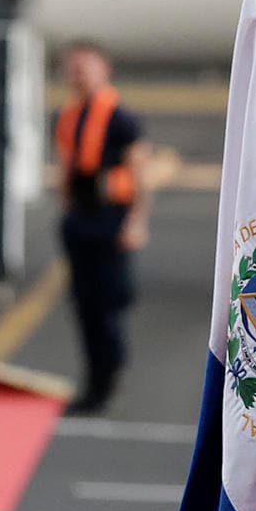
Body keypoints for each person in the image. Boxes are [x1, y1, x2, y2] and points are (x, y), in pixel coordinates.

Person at [53, 41, 150, 414]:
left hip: (111, 219)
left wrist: (135, 220)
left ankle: (108, 374)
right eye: (72, 67)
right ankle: (95, 377)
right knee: (84, 304)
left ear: (104, 68)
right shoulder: (68, 116)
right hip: (81, 219)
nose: (77, 74)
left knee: (109, 302)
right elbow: (65, 166)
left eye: (85, 66)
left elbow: (139, 173)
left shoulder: (121, 119)